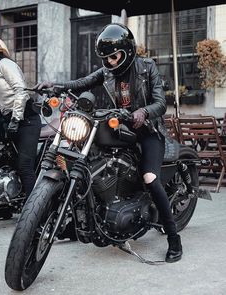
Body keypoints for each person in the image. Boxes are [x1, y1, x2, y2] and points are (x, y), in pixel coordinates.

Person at [34, 23, 182, 263]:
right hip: (120, 127)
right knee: (92, 159)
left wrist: (143, 112)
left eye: (115, 56)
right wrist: (56, 86)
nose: (111, 62)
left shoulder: (147, 67)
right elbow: (83, 82)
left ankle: (174, 238)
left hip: (148, 131)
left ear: (128, 51)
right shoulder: (107, 71)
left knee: (150, 179)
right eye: (107, 58)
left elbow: (160, 103)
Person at [0, 37, 41, 221]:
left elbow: (21, 90)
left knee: (24, 166)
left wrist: (15, 119)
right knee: (5, 162)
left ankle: (35, 213)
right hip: (11, 121)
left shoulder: (5, 64)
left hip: (26, 120)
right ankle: (3, 208)